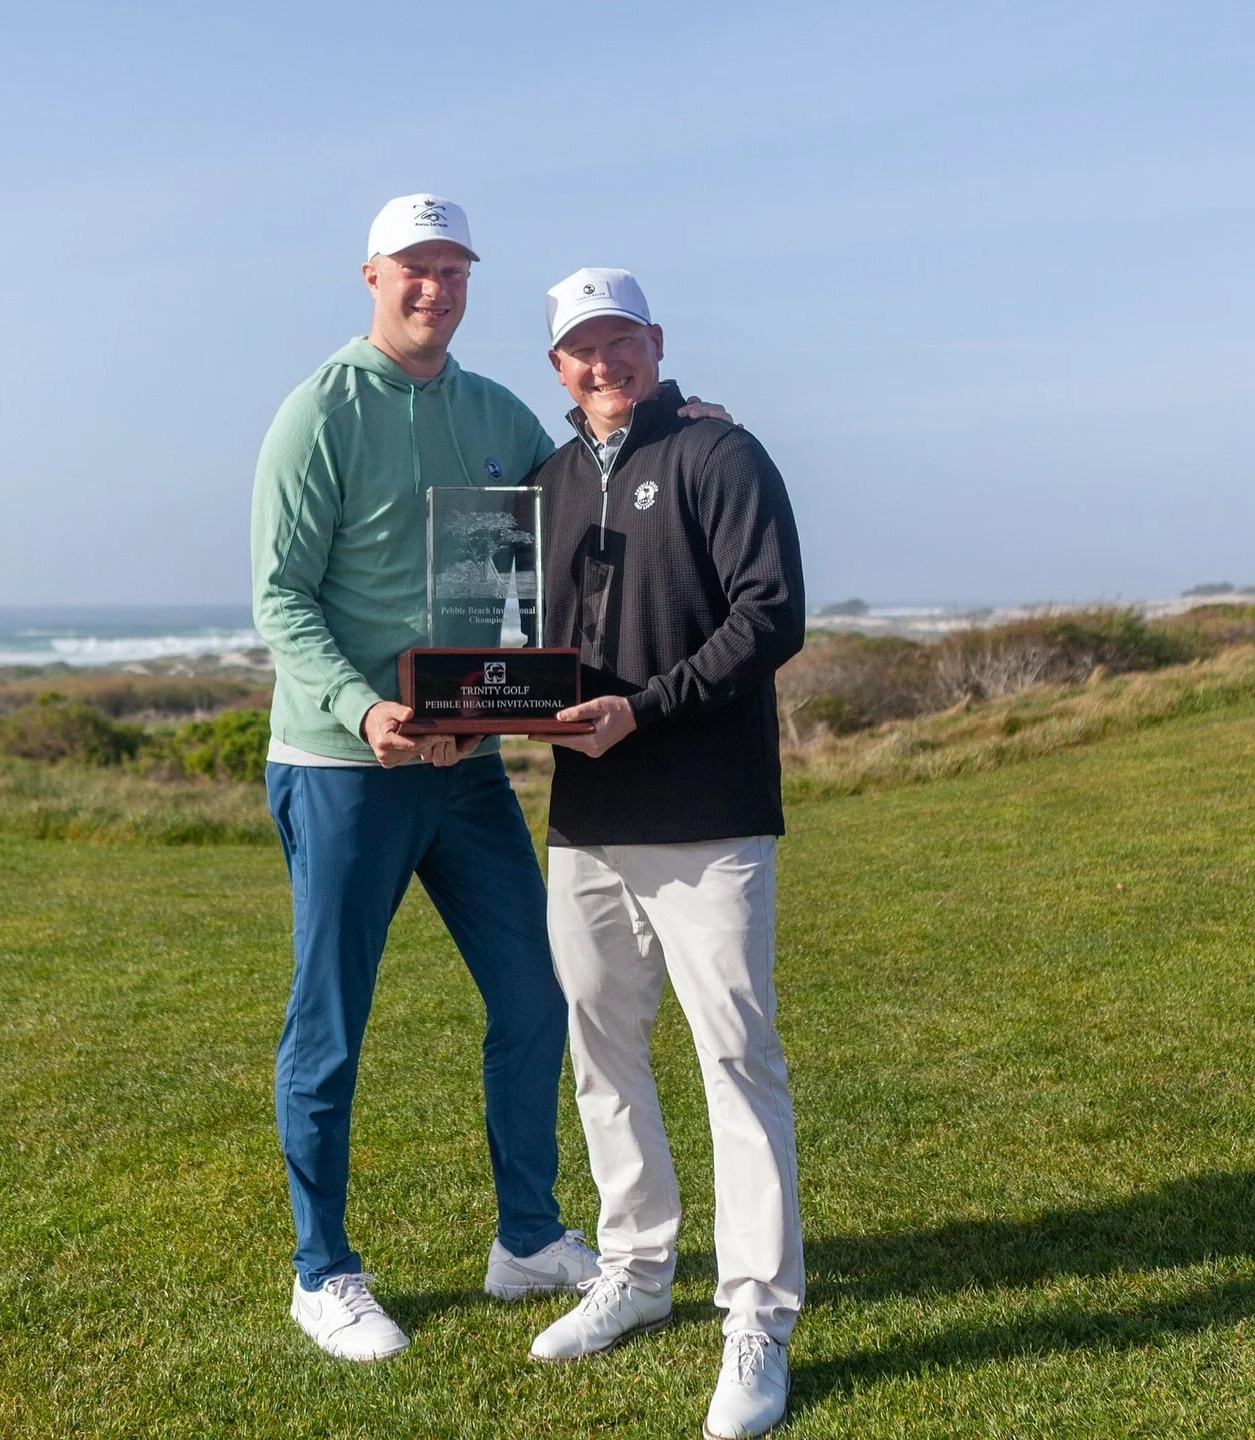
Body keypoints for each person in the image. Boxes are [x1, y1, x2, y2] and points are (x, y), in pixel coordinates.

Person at [250, 199, 727, 1363]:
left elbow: (590, 477)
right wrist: (367, 711)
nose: (436, 287)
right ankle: (324, 1272)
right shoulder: (321, 410)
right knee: (332, 1025)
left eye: (453, 268)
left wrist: (678, 420)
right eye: (416, 268)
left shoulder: (495, 414)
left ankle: (526, 1239)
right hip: (343, 764)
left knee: (533, 999)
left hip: (466, 771)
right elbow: (281, 598)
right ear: (373, 274)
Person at [526, 268, 806, 1440]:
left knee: (735, 1059)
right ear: (558, 365)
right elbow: (524, 645)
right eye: (582, 348)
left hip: (709, 817)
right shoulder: (540, 484)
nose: (605, 364)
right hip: (586, 824)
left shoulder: (718, 454)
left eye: (621, 341)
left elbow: (771, 613)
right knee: (601, 1053)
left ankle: (758, 1318)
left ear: (655, 341)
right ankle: (637, 1274)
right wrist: (471, 714)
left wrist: (648, 706)